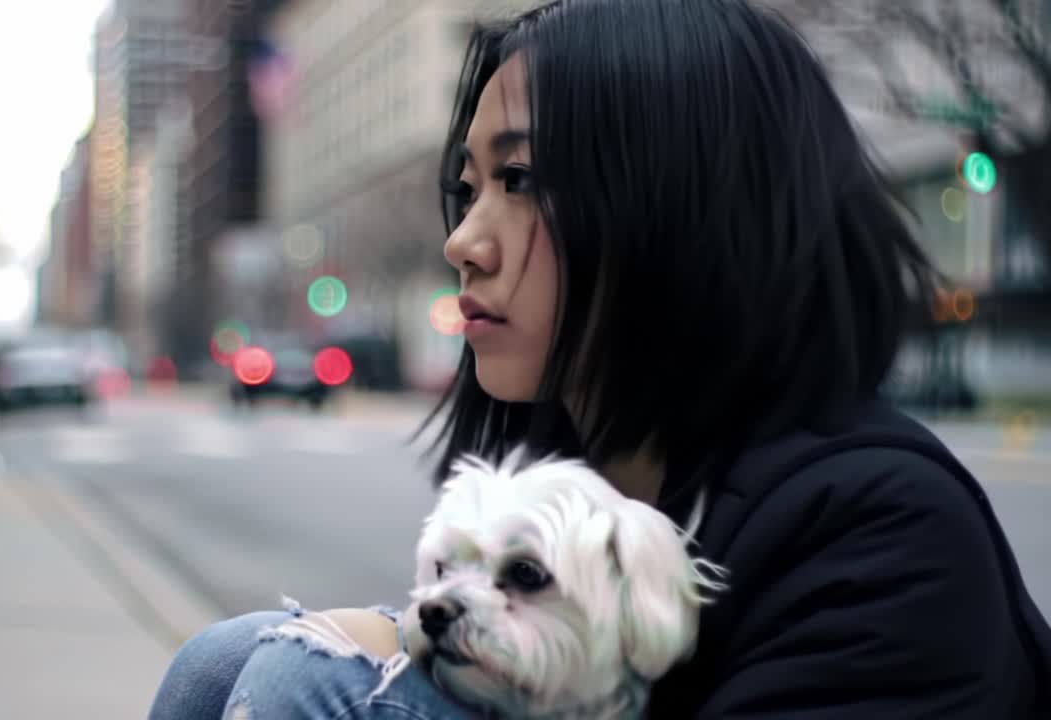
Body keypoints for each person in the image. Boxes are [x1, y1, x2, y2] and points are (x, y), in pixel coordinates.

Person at [150, 1, 1051, 717]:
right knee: (224, 658)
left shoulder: (883, 534)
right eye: (466, 192)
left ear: (687, 203)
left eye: (523, 180)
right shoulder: (586, 484)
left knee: (302, 683)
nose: (462, 239)